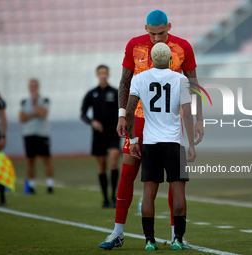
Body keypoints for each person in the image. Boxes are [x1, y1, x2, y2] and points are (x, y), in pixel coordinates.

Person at [100, 9, 203, 250]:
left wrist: (198, 119)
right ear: (146, 29)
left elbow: (193, 83)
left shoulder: (183, 47)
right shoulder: (134, 45)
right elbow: (124, 81)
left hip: (168, 122)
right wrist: (121, 115)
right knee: (127, 174)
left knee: (172, 179)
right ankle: (118, 232)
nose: (157, 38)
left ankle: (176, 235)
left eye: (162, 33)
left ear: (169, 26)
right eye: (153, 33)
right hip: (138, 121)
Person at [127, 43, 195, 250]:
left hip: (149, 142)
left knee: (149, 192)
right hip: (174, 142)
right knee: (178, 190)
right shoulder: (181, 79)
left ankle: (149, 240)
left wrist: (133, 141)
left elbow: (129, 112)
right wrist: (191, 144)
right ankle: (178, 239)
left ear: (151, 59)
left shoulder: (138, 79)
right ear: (171, 60)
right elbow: (187, 114)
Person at [81, 65, 120, 208]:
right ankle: (105, 199)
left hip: (113, 133)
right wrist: (92, 122)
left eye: (105, 73)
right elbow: (83, 113)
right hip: (98, 135)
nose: (103, 75)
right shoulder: (92, 94)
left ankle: (114, 197)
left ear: (108, 74)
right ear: (97, 75)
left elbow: (123, 110)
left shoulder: (115, 92)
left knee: (113, 161)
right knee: (102, 165)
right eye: (100, 73)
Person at [19, 79, 54, 194]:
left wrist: (34, 105)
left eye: (34, 86)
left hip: (42, 134)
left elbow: (44, 114)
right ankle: (32, 186)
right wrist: (35, 114)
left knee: (46, 159)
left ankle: (49, 185)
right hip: (29, 134)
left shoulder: (44, 100)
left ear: (38, 86)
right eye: (30, 86)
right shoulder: (24, 102)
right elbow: (22, 118)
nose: (32, 88)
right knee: (30, 160)